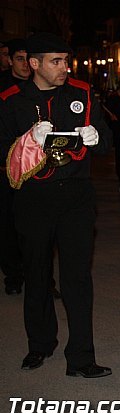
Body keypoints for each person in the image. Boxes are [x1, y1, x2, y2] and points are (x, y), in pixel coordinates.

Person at [0, 32, 112, 376]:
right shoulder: (11, 99)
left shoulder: (81, 92)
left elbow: (107, 142)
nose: (65, 67)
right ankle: (40, 344)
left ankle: (81, 357)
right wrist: (25, 141)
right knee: (37, 274)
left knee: (77, 278)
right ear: (34, 64)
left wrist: (97, 137)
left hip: (76, 196)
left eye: (66, 60)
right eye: (56, 61)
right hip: (34, 197)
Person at [0, 38, 30, 295]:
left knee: (33, 228)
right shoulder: (3, 89)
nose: (24, 64)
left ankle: (40, 279)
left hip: (33, 169)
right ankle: (13, 275)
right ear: (10, 60)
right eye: (18, 59)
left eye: (26, 59)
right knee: (8, 225)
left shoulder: (38, 86)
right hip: (6, 168)